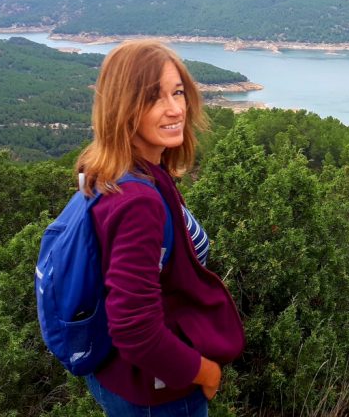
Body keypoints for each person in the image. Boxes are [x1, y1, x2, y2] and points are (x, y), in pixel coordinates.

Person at [75, 40, 245, 416]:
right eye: (153, 98)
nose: (174, 109)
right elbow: (134, 329)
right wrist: (204, 372)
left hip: (117, 376)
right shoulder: (138, 201)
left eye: (178, 92)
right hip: (157, 391)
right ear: (123, 108)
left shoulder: (114, 173)